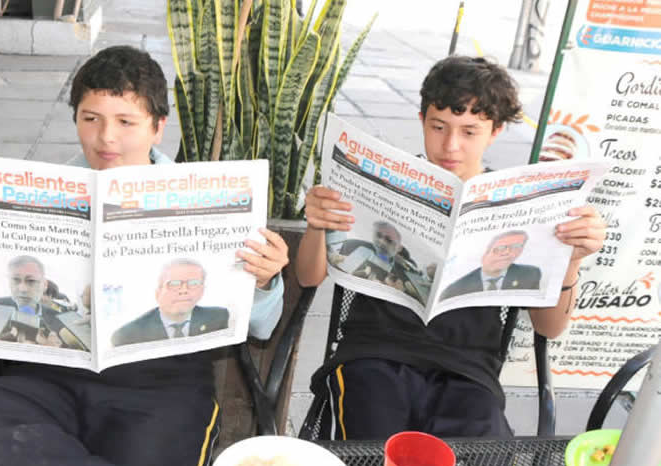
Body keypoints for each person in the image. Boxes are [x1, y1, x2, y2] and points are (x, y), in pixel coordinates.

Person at [0, 45, 287, 466]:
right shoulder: (33, 192)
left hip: (159, 388)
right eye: (91, 118)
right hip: (46, 376)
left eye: (126, 122)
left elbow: (261, 325)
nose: (106, 137)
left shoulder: (206, 202)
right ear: (75, 120)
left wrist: (263, 280)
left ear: (158, 127)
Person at [296, 56, 606, 440]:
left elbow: (550, 327)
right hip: (373, 355)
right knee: (370, 449)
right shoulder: (381, 184)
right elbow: (308, 276)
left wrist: (571, 262)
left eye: (470, 132)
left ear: (496, 131)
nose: (450, 146)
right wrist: (316, 225)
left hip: (467, 372)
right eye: (437, 126)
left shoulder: (521, 207)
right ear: (422, 118)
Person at [112, 258, 229, 346]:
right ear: (158, 292)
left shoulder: (218, 317)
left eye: (193, 283)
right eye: (174, 284)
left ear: (202, 290)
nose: (184, 290)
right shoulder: (127, 335)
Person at [440, 230, 541, 300]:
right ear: (485, 252)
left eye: (516, 247)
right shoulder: (455, 289)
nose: (507, 252)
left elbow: (544, 327)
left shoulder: (530, 274)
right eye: (501, 248)